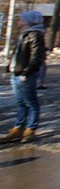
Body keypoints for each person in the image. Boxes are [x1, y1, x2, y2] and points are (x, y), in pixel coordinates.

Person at [2, 10, 46, 143]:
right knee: (20, 102)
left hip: (26, 75)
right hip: (17, 73)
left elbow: (36, 57)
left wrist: (26, 73)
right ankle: (18, 128)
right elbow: (18, 54)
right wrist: (10, 68)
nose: (18, 21)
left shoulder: (35, 35)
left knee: (30, 102)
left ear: (27, 21)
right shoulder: (24, 34)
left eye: (21, 19)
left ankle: (31, 129)